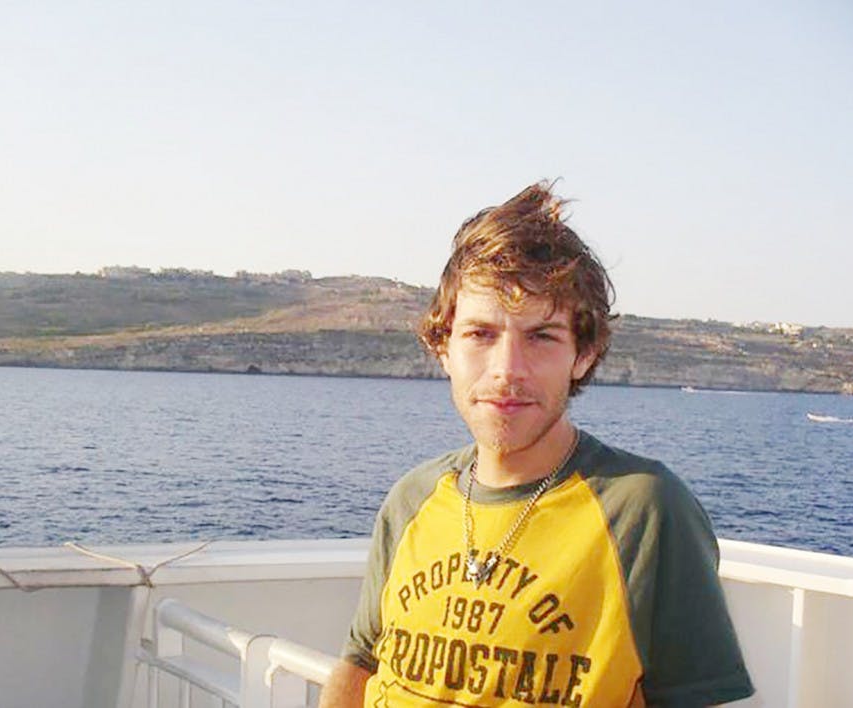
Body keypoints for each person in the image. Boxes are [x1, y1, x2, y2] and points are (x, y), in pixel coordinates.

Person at [320, 183, 753, 707]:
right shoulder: (413, 499)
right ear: (443, 348)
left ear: (584, 355)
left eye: (541, 337)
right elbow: (362, 662)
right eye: (480, 335)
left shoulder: (643, 510)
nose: (506, 371)